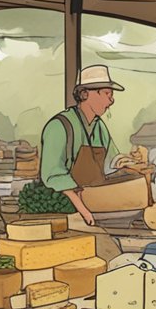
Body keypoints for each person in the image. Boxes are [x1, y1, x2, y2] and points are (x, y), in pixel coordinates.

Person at [40, 65, 124, 227]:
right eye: (107, 94)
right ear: (86, 94)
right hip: (66, 209)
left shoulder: (100, 128)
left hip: (94, 204)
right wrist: (84, 211)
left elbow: (111, 164)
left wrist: (125, 163)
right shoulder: (59, 126)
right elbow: (53, 175)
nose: (111, 101)